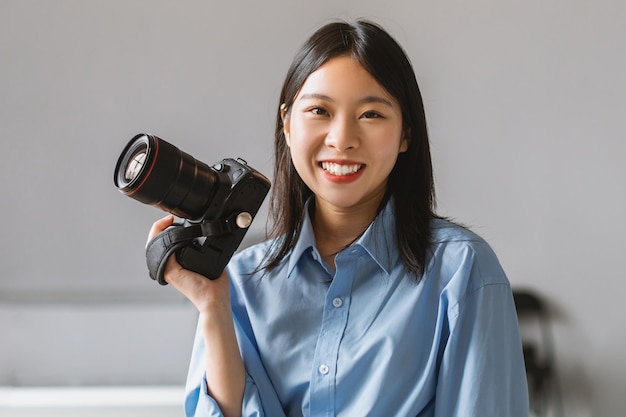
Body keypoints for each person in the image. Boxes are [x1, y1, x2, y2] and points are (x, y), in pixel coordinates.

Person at [148, 19, 530, 417]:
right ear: (287, 124)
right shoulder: (241, 281)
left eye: (370, 115)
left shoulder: (461, 271)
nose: (342, 138)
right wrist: (212, 307)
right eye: (319, 110)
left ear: (406, 135)